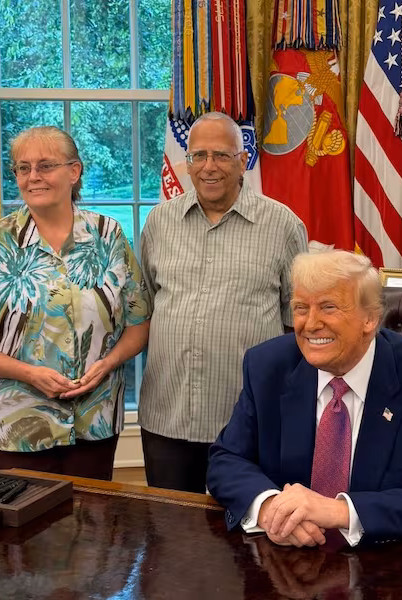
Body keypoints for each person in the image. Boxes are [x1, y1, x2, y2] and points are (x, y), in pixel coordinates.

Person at [206, 250, 402, 547]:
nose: (310, 324)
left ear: (370, 319)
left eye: (328, 307)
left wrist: (340, 511)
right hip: (283, 556)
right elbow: (226, 460)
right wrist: (272, 508)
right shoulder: (267, 366)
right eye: (300, 308)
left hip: (382, 562)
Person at [0, 126, 150, 480]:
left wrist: (108, 363)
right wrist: (28, 374)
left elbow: (139, 322)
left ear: (74, 172)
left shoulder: (108, 235)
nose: (33, 177)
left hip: (95, 426)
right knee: (15, 536)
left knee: (93, 531)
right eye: (23, 168)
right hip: (11, 432)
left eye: (45, 165)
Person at [139, 112, 308, 493]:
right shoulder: (159, 222)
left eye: (221, 156)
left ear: (243, 159)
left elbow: (296, 323)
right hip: (168, 416)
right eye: (198, 156)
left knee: (244, 539)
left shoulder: (282, 226)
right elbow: (146, 305)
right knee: (171, 534)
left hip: (249, 420)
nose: (208, 167)